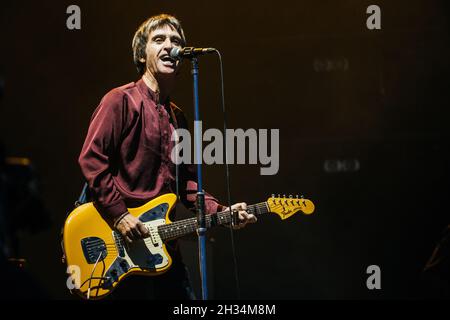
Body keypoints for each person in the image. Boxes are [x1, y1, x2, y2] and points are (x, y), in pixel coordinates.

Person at [78, 13, 256, 299]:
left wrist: (222, 213)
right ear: (141, 53)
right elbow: (92, 159)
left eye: (175, 41)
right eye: (158, 39)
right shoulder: (120, 100)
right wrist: (120, 215)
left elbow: (188, 185)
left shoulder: (178, 118)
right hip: (119, 238)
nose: (169, 45)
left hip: (161, 246)